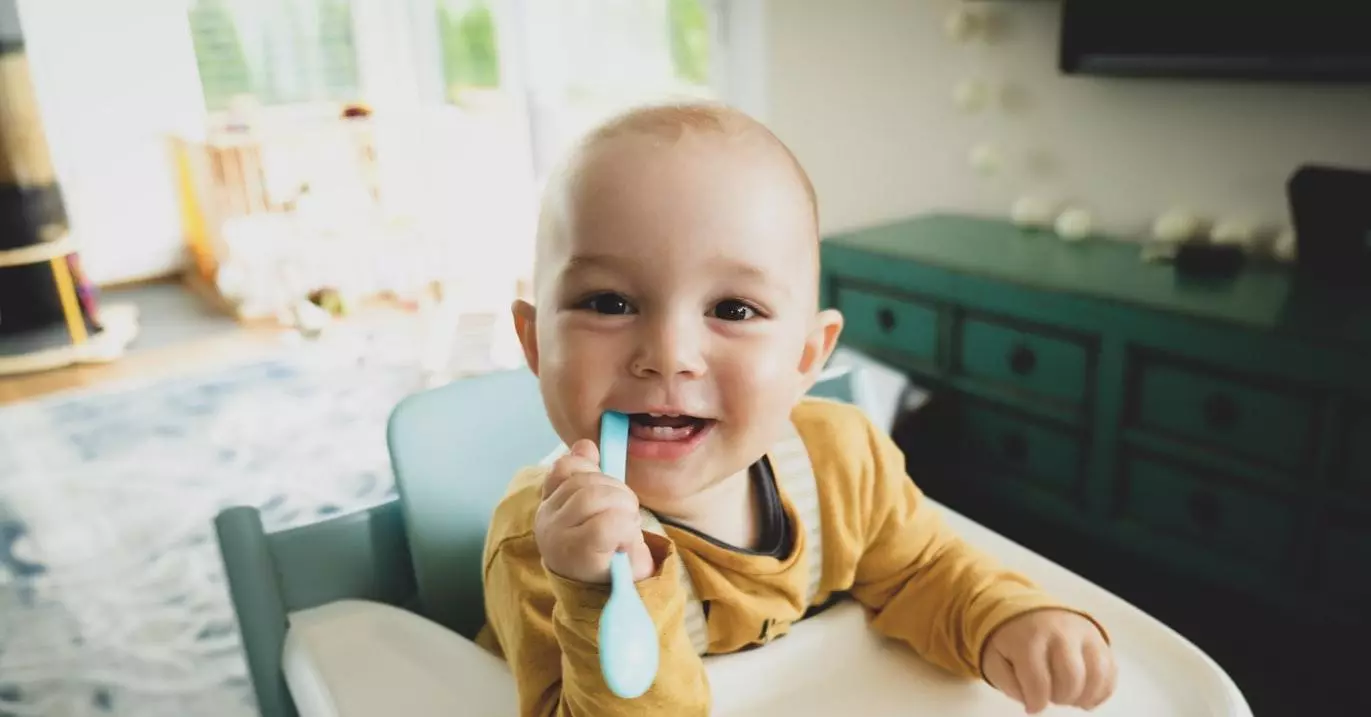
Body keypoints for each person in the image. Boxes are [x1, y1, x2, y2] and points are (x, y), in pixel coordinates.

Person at [476, 101, 1116, 716]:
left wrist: (1005, 619)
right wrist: (596, 593)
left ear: (808, 358)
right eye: (610, 303)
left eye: (733, 309)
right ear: (536, 343)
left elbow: (921, 570)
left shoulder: (842, 460)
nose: (669, 355)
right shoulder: (540, 545)